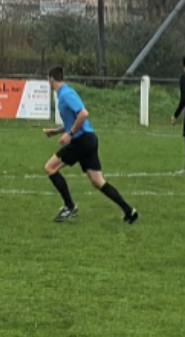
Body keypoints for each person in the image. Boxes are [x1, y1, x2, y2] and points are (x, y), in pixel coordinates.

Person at [42, 66, 138, 224]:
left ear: (52, 79)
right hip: (88, 140)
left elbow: (83, 114)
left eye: (48, 80)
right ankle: (129, 211)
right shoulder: (64, 94)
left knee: (50, 167)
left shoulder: (66, 94)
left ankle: (69, 206)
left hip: (82, 141)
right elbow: (75, 119)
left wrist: (70, 133)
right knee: (97, 181)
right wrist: (57, 131)